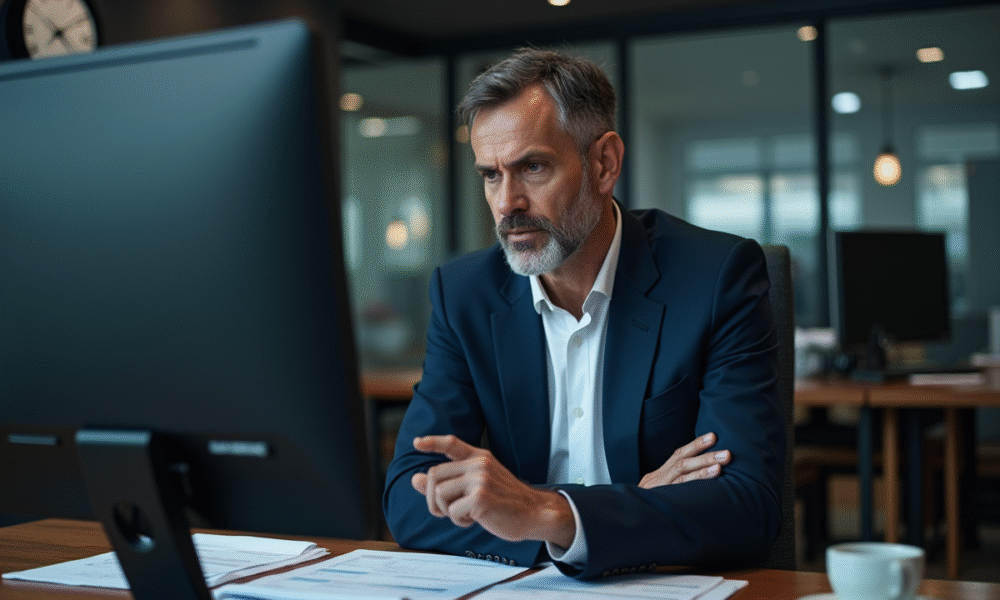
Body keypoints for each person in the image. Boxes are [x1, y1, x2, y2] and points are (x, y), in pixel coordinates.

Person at [382, 47, 785, 580]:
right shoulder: (465, 295)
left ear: (604, 163)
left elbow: (748, 505)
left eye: (533, 166)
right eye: (491, 175)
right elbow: (410, 496)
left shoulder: (715, 277)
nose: (507, 203)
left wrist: (541, 512)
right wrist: (605, 509)